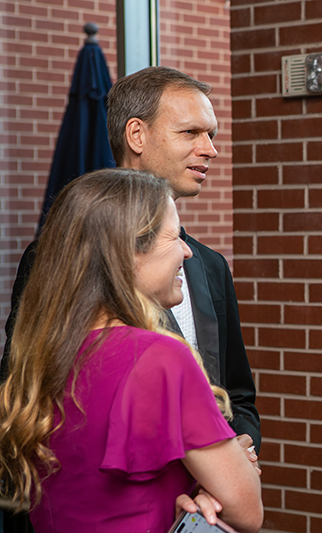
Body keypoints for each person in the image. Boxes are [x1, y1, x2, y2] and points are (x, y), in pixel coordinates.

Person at [2, 66, 260, 453]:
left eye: (211, 134)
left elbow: (237, 395)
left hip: (207, 502)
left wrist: (241, 444)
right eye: (191, 132)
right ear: (137, 134)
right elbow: (25, 385)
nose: (210, 148)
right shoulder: (63, 252)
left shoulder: (209, 265)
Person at [0, 169, 263, 533]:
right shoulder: (160, 359)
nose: (187, 251)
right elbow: (248, 511)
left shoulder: (41, 357)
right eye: (175, 237)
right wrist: (211, 496)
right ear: (129, 253)